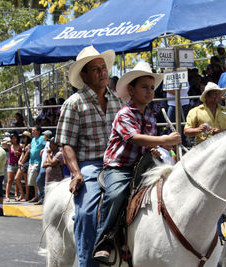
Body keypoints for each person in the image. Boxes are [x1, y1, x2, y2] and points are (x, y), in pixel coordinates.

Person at [93, 61, 181, 263]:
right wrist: (164, 140)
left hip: (142, 165)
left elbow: (146, 143)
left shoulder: (150, 115)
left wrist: (157, 149)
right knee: (116, 194)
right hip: (120, 166)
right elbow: (134, 138)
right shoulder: (124, 114)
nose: (150, 92)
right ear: (131, 90)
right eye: (144, 87)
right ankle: (104, 240)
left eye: (152, 88)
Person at [55, 45, 122, 267]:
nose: (103, 72)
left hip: (118, 162)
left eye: (103, 68)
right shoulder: (73, 103)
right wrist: (75, 173)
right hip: (91, 165)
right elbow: (66, 144)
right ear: (84, 75)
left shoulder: (117, 100)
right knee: (86, 212)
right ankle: (87, 262)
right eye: (96, 69)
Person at [27, 125, 46, 203]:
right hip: (31, 161)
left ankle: (39, 197)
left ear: (38, 131)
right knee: (34, 181)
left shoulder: (42, 138)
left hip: (38, 161)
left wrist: (43, 150)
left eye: (34, 130)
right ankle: (36, 196)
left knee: (37, 180)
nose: (32, 132)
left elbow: (47, 145)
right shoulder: (33, 139)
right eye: (32, 130)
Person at [35, 130, 53, 205]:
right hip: (43, 164)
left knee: (39, 181)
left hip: (46, 165)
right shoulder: (46, 143)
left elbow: (50, 152)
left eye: (44, 135)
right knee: (41, 181)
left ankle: (43, 198)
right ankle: (42, 198)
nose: (43, 136)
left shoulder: (49, 143)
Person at [15, 131, 32, 202]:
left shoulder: (28, 145)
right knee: (16, 178)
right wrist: (19, 161)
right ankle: (22, 194)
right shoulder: (24, 145)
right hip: (22, 164)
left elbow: (27, 154)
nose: (22, 139)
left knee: (26, 181)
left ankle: (27, 196)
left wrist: (22, 162)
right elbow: (22, 154)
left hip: (26, 164)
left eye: (24, 137)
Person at [5, 133, 22, 202]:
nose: (14, 139)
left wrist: (19, 153)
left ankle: (16, 194)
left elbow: (24, 152)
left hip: (18, 164)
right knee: (9, 180)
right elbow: (3, 143)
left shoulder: (20, 146)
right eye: (13, 138)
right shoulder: (10, 146)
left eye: (15, 138)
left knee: (17, 180)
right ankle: (7, 195)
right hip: (11, 164)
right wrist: (9, 140)